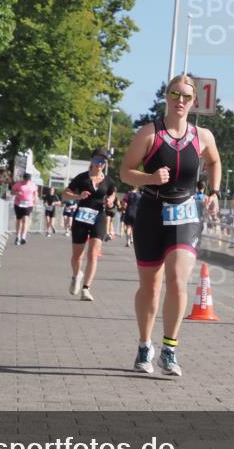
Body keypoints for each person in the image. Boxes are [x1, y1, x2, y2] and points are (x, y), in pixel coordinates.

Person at [120, 75, 221, 377]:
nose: (180, 100)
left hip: (185, 212)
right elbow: (125, 172)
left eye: (186, 96)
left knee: (178, 281)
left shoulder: (202, 136)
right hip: (151, 210)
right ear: (166, 96)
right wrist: (149, 178)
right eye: (175, 94)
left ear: (194, 102)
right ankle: (143, 344)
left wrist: (214, 193)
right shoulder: (149, 134)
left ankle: (169, 348)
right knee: (150, 288)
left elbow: (214, 162)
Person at [62, 149, 116, 301]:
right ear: (91, 160)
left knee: (93, 254)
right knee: (77, 256)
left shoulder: (108, 181)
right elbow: (65, 194)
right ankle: (76, 275)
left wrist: (111, 200)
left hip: (99, 217)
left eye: (103, 162)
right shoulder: (82, 178)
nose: (100, 164)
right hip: (81, 217)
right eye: (98, 160)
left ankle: (86, 289)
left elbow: (112, 192)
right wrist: (78, 196)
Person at [10, 172, 38, 245]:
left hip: (28, 204)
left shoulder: (33, 185)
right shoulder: (18, 184)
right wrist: (17, 193)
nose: (26, 181)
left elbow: (35, 193)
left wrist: (35, 199)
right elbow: (12, 192)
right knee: (19, 220)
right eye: (25, 180)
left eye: (28, 180)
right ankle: (17, 236)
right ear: (23, 179)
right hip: (18, 203)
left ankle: (23, 237)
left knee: (26, 219)